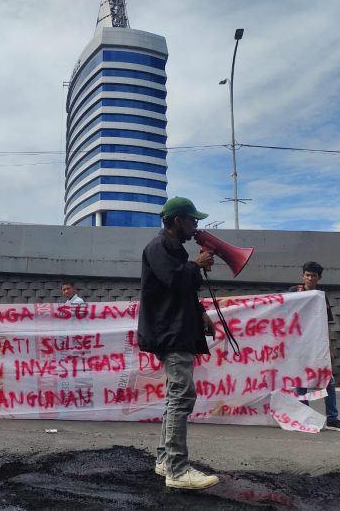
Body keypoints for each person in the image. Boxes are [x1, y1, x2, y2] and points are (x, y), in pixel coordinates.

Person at [137, 197, 218, 490]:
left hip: (176, 329)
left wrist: (200, 312)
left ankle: (164, 460)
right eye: (192, 220)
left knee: (176, 397)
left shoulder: (173, 249)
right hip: (169, 333)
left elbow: (179, 290)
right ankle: (177, 468)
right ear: (177, 221)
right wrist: (195, 264)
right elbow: (173, 281)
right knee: (182, 396)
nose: (196, 226)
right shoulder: (158, 247)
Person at [290, 261, 340, 433]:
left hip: (317, 346)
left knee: (328, 381)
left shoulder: (320, 296)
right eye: (307, 274)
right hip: (298, 345)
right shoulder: (293, 292)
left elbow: (325, 323)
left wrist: (330, 348)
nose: (310, 278)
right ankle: (304, 416)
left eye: (314, 275)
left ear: (319, 278)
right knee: (301, 382)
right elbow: (280, 312)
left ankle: (332, 419)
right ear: (303, 275)